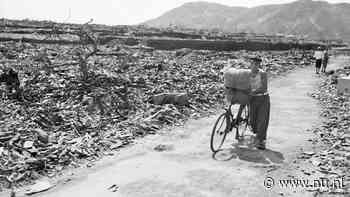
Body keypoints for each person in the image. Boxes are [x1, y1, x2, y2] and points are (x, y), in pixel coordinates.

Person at [248, 57, 270, 150]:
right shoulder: (247, 73)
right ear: (250, 64)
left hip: (262, 98)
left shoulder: (262, 73)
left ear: (259, 65)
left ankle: (261, 141)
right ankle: (257, 134)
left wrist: (253, 92)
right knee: (253, 120)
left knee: (262, 119)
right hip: (252, 99)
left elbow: (264, 87)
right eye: (253, 63)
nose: (254, 65)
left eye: (256, 64)